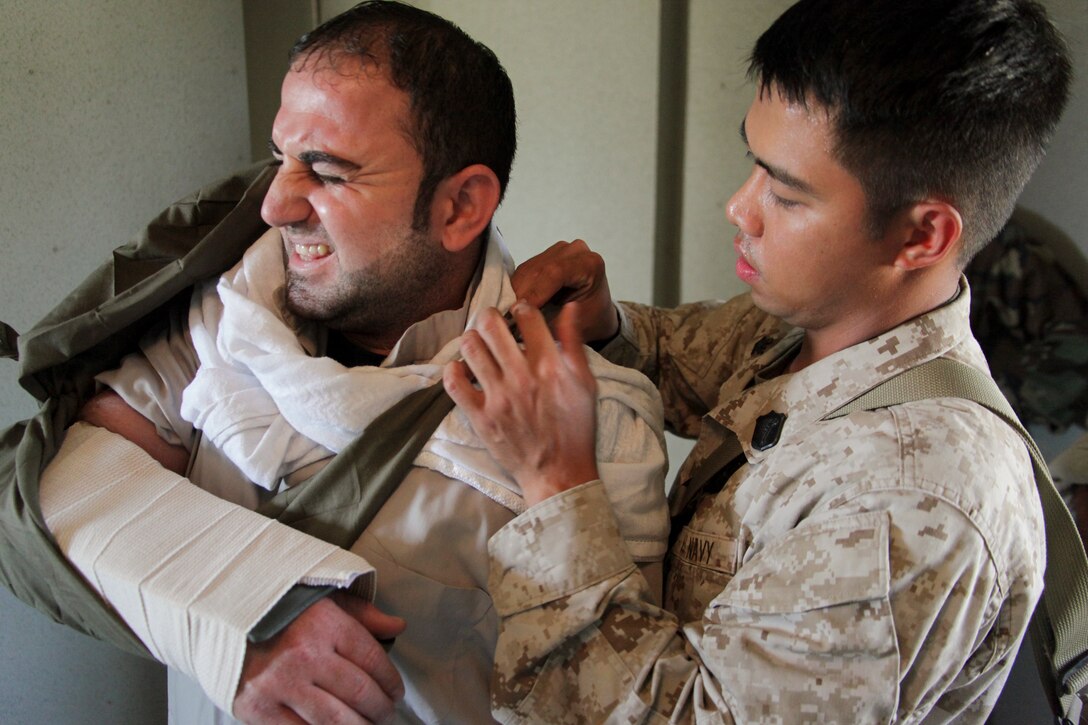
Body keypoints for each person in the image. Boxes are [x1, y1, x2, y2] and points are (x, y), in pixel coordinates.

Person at [0, 2, 669, 723]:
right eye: (281, 157)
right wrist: (242, 613)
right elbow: (66, 491)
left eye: (327, 171)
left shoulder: (592, 426)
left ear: (460, 207)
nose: (278, 205)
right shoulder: (211, 331)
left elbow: (617, 700)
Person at [443, 0, 1074, 721]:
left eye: (785, 192)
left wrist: (554, 480)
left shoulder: (911, 502)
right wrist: (612, 327)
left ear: (922, 235)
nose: (740, 208)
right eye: (754, 162)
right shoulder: (821, 321)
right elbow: (703, 364)